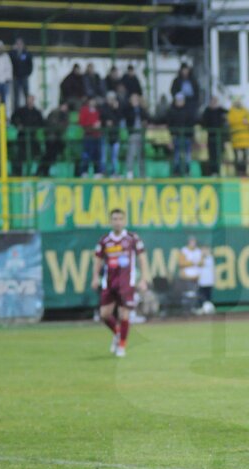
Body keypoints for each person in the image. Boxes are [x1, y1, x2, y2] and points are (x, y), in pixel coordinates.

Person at [95, 208, 146, 357]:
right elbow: (98, 259)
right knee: (104, 314)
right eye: (114, 219)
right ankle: (117, 333)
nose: (117, 222)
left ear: (124, 221)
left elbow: (142, 258)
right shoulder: (105, 240)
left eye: (120, 219)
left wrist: (143, 278)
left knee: (124, 314)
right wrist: (94, 277)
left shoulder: (132, 238)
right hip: (109, 282)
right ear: (110, 221)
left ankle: (122, 346)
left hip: (126, 282)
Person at [10, 94, 43, 176]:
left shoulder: (37, 112)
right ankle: (18, 174)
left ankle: (36, 173)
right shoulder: (20, 111)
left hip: (32, 137)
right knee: (19, 156)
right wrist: (18, 125)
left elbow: (41, 123)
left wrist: (35, 128)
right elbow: (13, 119)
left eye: (31, 99)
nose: (30, 101)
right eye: (29, 99)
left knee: (38, 155)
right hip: (22, 137)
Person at [166, 93, 195, 176]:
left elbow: (191, 124)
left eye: (181, 100)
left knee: (187, 156)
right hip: (176, 136)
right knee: (177, 156)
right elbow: (170, 124)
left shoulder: (188, 111)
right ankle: (176, 172)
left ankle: (187, 171)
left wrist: (191, 135)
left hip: (186, 136)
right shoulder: (172, 111)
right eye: (178, 100)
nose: (179, 102)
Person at [37, 100, 68, 177]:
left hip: (56, 139)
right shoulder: (55, 114)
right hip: (51, 138)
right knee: (49, 156)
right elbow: (55, 126)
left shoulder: (63, 115)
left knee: (51, 156)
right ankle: (41, 171)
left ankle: (43, 171)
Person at [122, 93, 149, 178]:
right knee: (132, 153)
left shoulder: (141, 109)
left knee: (141, 154)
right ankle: (130, 172)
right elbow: (127, 118)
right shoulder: (128, 110)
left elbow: (147, 118)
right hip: (133, 133)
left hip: (141, 133)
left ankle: (142, 174)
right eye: (133, 99)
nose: (135, 101)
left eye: (136, 99)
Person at [227, 96, 249, 176]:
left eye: (239, 102)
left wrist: (247, 121)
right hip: (236, 139)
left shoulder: (245, 111)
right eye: (236, 102)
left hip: (246, 139)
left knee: (245, 157)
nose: (238, 103)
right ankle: (238, 171)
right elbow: (231, 121)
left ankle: (244, 171)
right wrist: (243, 121)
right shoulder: (232, 111)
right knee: (237, 157)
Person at [76, 96, 102, 177]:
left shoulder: (98, 111)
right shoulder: (84, 110)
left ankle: (97, 172)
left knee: (96, 154)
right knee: (86, 154)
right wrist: (91, 126)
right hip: (88, 135)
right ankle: (84, 171)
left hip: (97, 136)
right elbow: (81, 122)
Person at [201, 95, 226, 176]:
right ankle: (213, 171)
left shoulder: (220, 110)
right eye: (212, 101)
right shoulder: (207, 111)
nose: (214, 102)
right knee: (212, 155)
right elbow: (203, 123)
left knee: (219, 154)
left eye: (215, 101)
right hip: (211, 136)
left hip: (220, 136)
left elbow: (227, 116)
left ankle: (218, 171)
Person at [99, 92, 122, 177]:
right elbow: (104, 118)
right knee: (104, 155)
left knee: (114, 156)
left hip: (115, 135)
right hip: (106, 134)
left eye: (113, 98)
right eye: (110, 98)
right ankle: (103, 171)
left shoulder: (117, 108)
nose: (111, 100)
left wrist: (116, 109)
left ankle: (114, 172)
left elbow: (119, 119)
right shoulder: (103, 108)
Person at [10, 38, 31, 111]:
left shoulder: (26, 53)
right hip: (16, 78)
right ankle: (16, 112)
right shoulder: (13, 53)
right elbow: (11, 62)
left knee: (26, 95)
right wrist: (13, 50)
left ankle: (27, 111)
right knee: (16, 97)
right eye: (17, 44)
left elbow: (30, 65)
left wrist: (27, 74)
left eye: (20, 44)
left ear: (23, 45)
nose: (19, 45)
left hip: (24, 77)